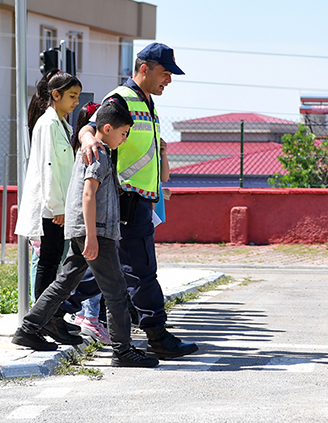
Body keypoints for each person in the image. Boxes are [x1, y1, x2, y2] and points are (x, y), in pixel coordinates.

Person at [13, 98, 158, 368]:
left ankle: (28, 329)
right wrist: (91, 236)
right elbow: (88, 194)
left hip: (87, 230)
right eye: (123, 133)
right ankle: (123, 350)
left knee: (64, 283)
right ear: (107, 128)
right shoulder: (99, 154)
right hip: (96, 233)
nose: (124, 140)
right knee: (115, 290)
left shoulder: (94, 149)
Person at [76, 42, 198, 359]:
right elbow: (90, 127)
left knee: (105, 270)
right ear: (144, 69)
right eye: (165, 72)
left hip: (140, 199)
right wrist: (88, 139)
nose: (169, 79)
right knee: (141, 272)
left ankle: (46, 316)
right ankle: (157, 336)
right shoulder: (121, 99)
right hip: (126, 199)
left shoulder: (147, 103)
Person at [14, 70, 82, 335]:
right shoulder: (48, 124)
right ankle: (41, 322)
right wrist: (58, 207)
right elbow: (49, 167)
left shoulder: (62, 123)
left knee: (55, 264)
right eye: (72, 96)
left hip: (60, 207)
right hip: (52, 209)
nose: (76, 102)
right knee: (49, 263)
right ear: (56, 95)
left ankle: (49, 318)